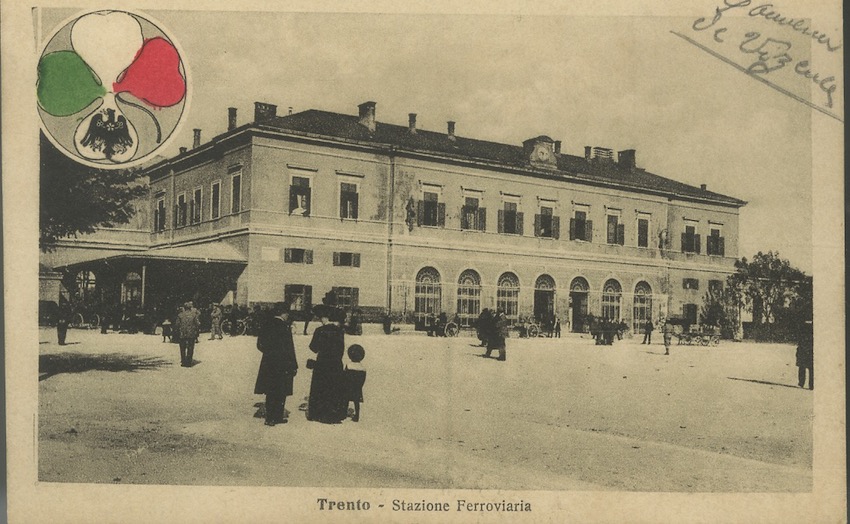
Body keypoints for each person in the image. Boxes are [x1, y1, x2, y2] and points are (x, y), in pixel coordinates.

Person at [254, 301, 299, 426]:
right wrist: (293, 364)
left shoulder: (266, 325)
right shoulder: (285, 327)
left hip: (268, 363)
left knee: (270, 390)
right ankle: (277, 416)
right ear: (284, 313)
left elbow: (260, 344)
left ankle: (270, 418)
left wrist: (269, 353)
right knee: (281, 390)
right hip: (283, 364)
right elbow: (290, 348)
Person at [307, 303, 347, 423]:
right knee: (333, 388)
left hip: (322, 363)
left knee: (320, 388)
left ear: (324, 318)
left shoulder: (319, 331)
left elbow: (313, 348)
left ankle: (318, 413)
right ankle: (333, 414)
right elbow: (341, 349)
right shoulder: (339, 331)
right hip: (335, 363)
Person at [344, 344, 367, 422]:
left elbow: (345, 376)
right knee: (356, 402)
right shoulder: (362, 368)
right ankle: (357, 415)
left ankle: (343, 413)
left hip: (348, 386)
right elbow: (363, 379)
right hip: (357, 388)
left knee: (346, 399)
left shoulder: (349, 365)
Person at [175, 301, 201, 367]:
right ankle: (189, 362)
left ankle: (183, 362)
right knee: (190, 347)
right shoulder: (194, 315)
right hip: (191, 333)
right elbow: (198, 324)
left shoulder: (180, 315)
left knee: (182, 348)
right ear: (190, 308)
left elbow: (177, 324)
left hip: (182, 333)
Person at [796, 320, 813, 390]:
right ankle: (810, 384)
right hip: (807, 348)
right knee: (809, 367)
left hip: (806, 347)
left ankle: (802, 383)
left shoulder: (802, 329)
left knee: (803, 366)